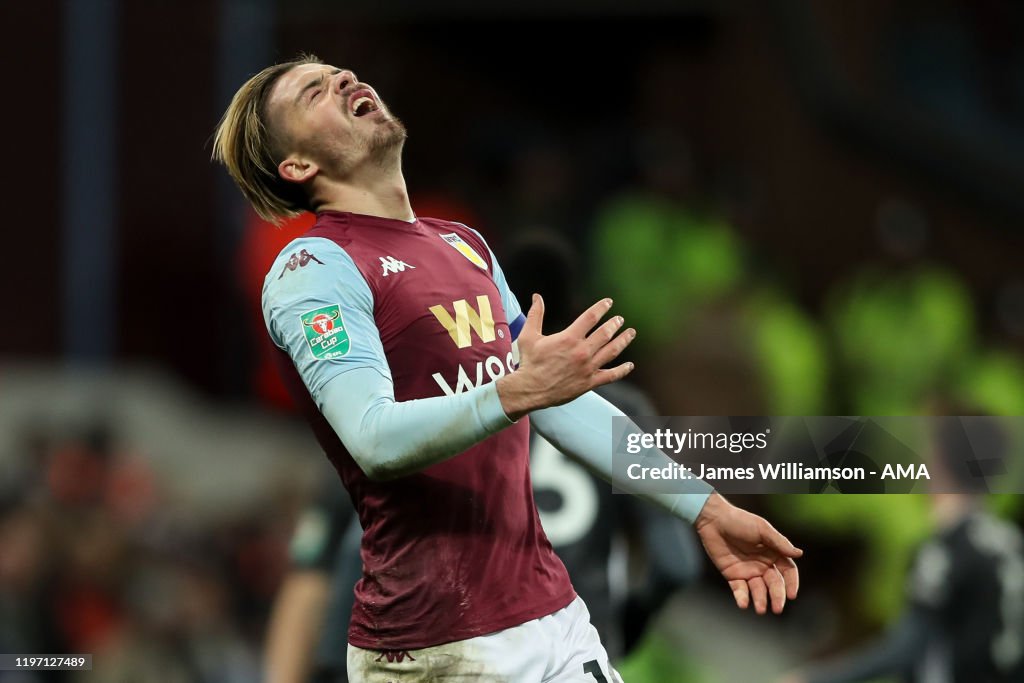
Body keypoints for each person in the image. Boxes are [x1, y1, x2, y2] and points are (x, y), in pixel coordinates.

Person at [213, 54, 802, 682]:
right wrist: (515, 391)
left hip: (553, 614)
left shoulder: (462, 245)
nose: (343, 81)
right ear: (298, 165)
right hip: (436, 643)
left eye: (340, 74)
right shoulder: (314, 270)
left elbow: (556, 399)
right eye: (314, 93)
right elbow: (374, 439)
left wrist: (706, 508)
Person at [781, 415, 1024, 683]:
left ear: (937, 460)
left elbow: (905, 650)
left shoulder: (946, 551)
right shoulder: (1010, 546)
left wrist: (815, 679)